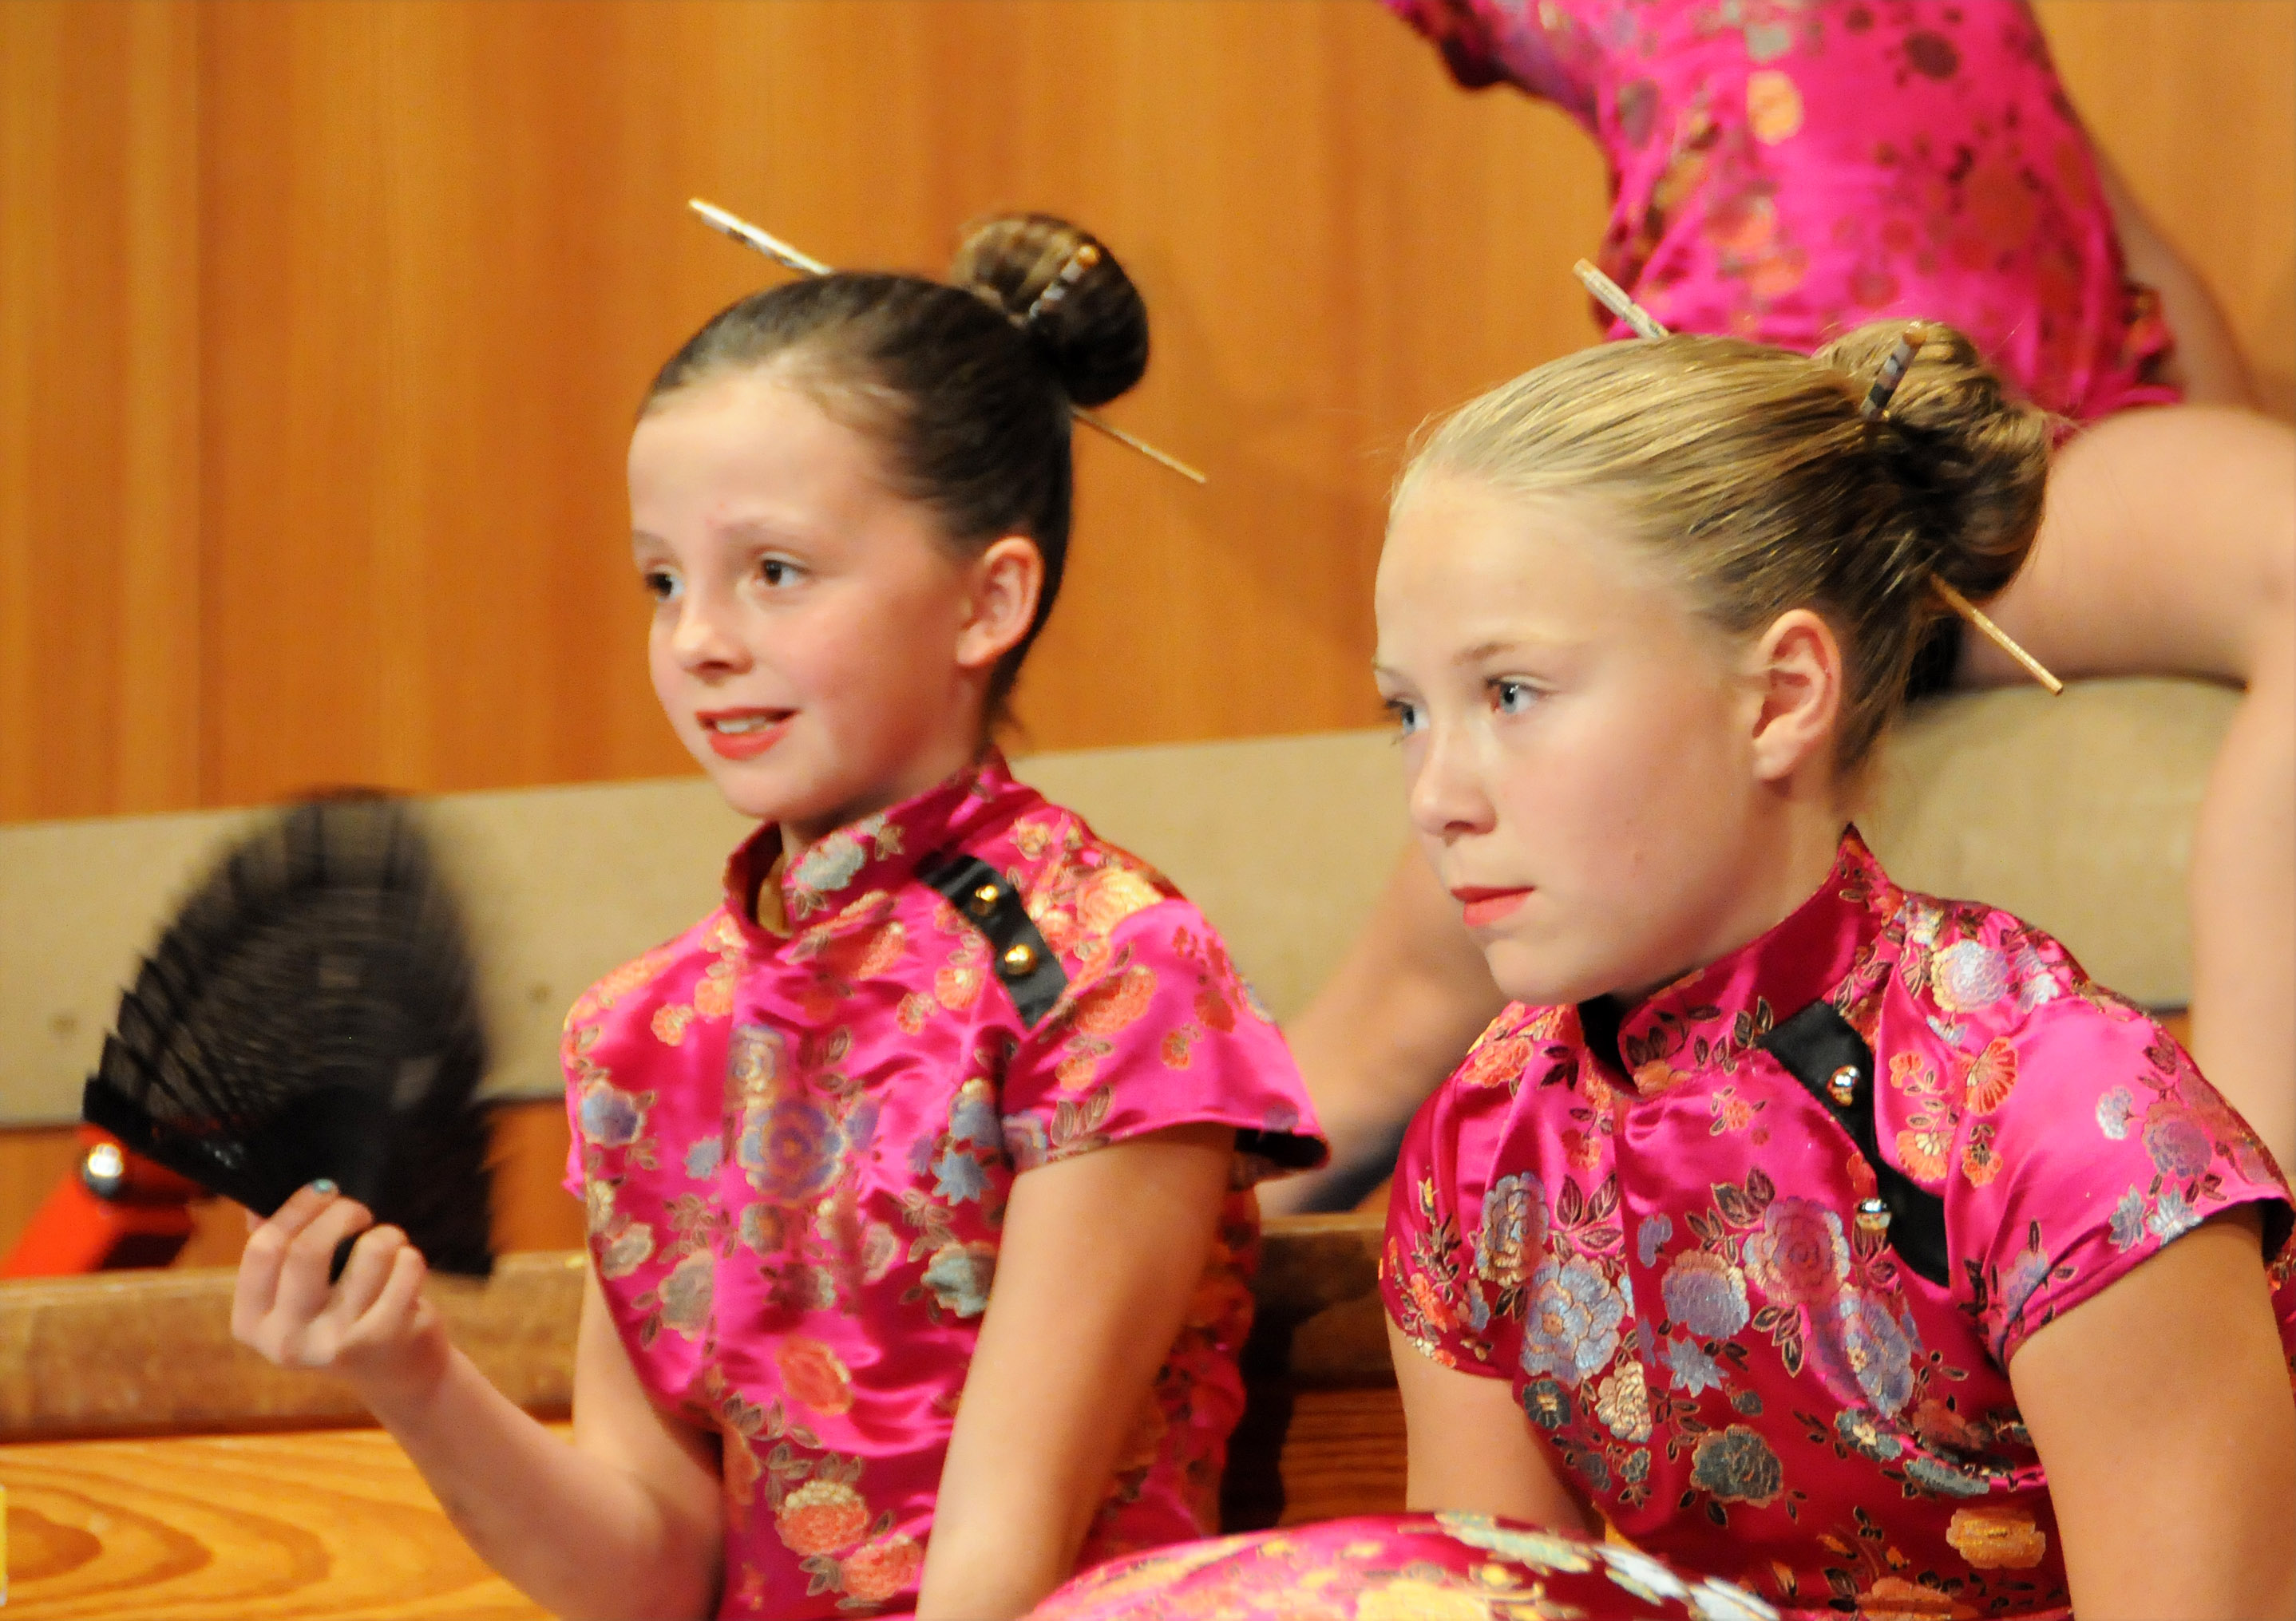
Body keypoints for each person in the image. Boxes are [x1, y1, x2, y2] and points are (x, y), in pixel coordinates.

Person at [228, 213, 1325, 1621]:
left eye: (775, 572)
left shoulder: (1106, 967)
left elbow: (1003, 1557)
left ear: (988, 600)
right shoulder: (641, 1032)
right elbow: (654, 1574)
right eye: (663, 580)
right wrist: (409, 1373)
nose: (699, 639)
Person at [1269, 0, 2295, 1212]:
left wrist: (2218, 450)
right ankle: (1169, 1241)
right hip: (1735, 498)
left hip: (2018, 455)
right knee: (1383, 1030)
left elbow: (2098, 212)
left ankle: (2248, 1200)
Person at [1372, 318, 2295, 1618]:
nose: (1437, 796)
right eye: (1407, 712)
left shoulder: (2063, 1123)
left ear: (1780, 697)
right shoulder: (1483, 1151)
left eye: (1511, 694)